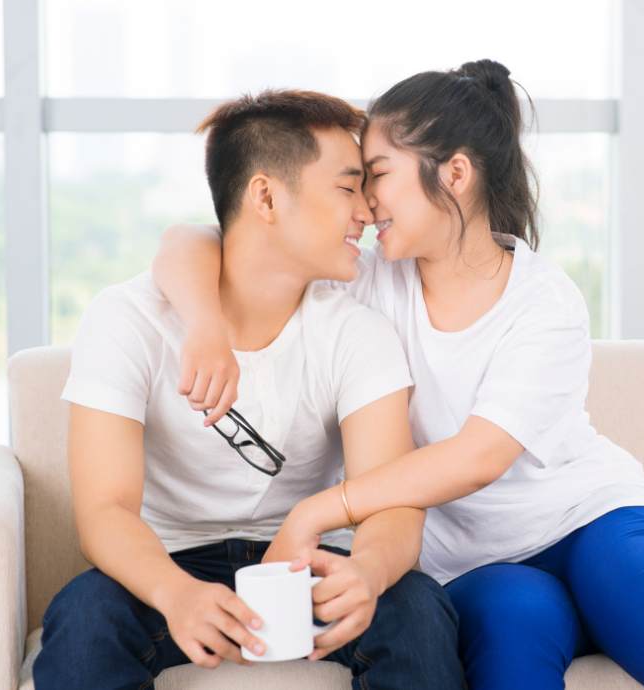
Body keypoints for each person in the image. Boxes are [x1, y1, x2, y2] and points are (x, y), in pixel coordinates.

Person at [152, 62, 644, 690]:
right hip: (480, 565)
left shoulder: (544, 301)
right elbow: (194, 239)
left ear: (453, 174)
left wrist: (326, 508)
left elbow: (480, 456)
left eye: (379, 174)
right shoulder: (366, 281)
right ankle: (603, 615)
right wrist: (207, 327)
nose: (364, 202)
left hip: (592, 518)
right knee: (508, 665)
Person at [34, 89, 464, 690]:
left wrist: (367, 570)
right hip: (170, 561)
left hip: (308, 559)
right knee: (84, 618)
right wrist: (175, 594)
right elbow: (103, 511)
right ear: (265, 195)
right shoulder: (126, 320)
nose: (366, 211)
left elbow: (391, 497)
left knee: (417, 609)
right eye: (347, 188)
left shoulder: (356, 330)